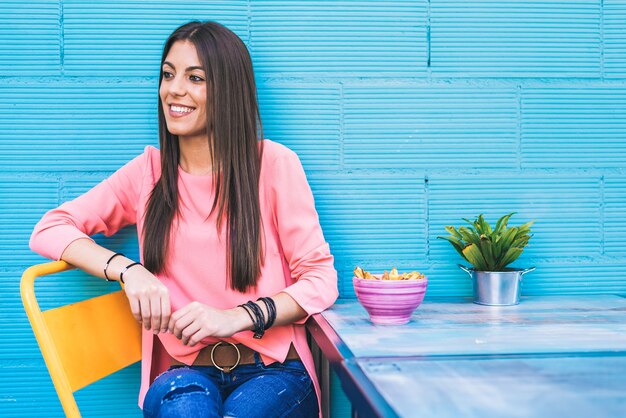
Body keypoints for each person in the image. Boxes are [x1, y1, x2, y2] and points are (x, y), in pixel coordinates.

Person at [29, 20, 338, 418]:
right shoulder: (148, 173)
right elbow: (51, 228)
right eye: (168, 74)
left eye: (196, 78)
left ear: (228, 90)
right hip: (184, 374)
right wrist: (128, 270)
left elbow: (320, 278)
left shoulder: (274, 165)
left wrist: (236, 317)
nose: (174, 90)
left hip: (275, 372)